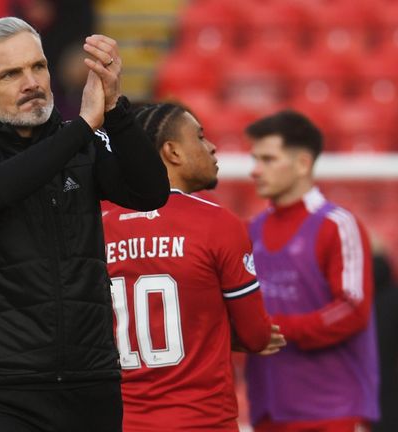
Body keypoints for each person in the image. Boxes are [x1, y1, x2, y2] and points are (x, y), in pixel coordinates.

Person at [0, 17, 170, 432]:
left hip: (89, 381)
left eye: (38, 67)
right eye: (11, 74)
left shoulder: (81, 141)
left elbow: (149, 193)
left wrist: (114, 108)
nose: (32, 82)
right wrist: (82, 128)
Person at [102, 102, 284, 431]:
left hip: (123, 421)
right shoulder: (216, 222)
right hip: (202, 420)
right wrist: (214, 330)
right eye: (199, 137)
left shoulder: (98, 223)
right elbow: (256, 336)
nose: (212, 146)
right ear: (172, 152)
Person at [245, 110, 379, 431]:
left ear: (303, 163)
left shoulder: (337, 225)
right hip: (268, 407)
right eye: (255, 159)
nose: (255, 171)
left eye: (267, 159)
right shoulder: (253, 229)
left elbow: (352, 308)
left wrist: (273, 329)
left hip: (330, 409)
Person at [371, 250, 398, 432]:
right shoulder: (397, 296)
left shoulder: (362, 297)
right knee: (391, 408)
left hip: (363, 364)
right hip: (392, 363)